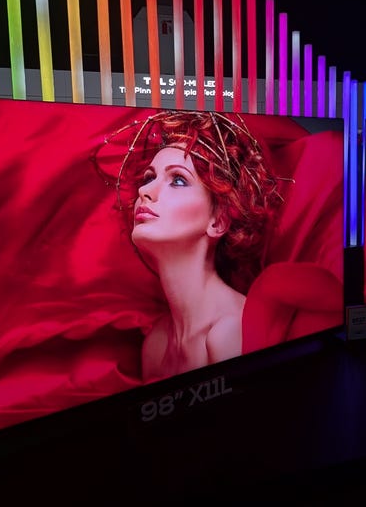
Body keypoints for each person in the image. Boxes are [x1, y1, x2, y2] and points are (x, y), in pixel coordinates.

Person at [106, 111, 285, 381]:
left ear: (219, 220)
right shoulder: (156, 345)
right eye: (149, 178)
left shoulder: (230, 334)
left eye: (178, 180)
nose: (145, 191)